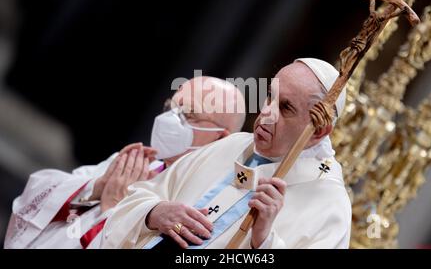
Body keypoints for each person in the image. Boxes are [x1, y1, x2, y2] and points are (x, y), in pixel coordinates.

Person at [100, 58, 351, 249]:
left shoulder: (329, 206)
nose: (267, 113)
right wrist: (154, 213)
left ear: (319, 132)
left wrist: (264, 241)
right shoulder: (231, 146)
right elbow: (139, 197)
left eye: (286, 108)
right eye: (269, 97)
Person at [4, 76, 246, 249]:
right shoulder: (139, 164)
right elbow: (34, 197)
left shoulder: (202, 203)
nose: (170, 119)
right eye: (170, 107)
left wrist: (114, 211)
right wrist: (94, 189)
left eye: (189, 114)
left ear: (220, 138)